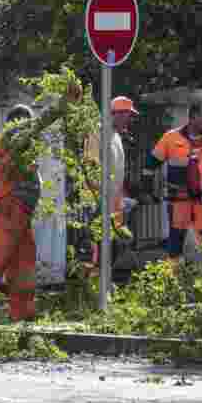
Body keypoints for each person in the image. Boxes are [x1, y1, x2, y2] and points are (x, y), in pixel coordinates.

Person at [0, 80, 82, 321]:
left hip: (16, 210)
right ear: (18, 123)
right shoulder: (13, 137)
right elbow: (36, 126)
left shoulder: (9, 141)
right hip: (11, 207)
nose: (30, 129)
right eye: (26, 123)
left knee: (24, 262)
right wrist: (62, 105)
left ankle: (23, 313)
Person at [140, 95, 202, 268]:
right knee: (175, 247)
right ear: (193, 117)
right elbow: (150, 165)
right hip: (179, 202)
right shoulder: (170, 138)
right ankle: (173, 282)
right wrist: (148, 190)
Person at [82, 96, 140, 273]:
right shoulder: (97, 133)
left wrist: (121, 198)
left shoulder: (115, 136)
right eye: (129, 115)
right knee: (99, 250)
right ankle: (93, 291)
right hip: (98, 201)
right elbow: (90, 168)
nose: (130, 120)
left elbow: (116, 173)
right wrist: (101, 199)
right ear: (118, 114)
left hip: (113, 203)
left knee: (112, 249)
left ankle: (103, 289)